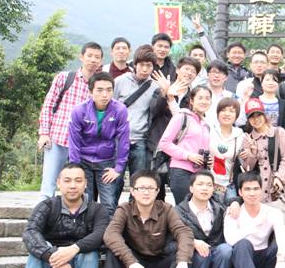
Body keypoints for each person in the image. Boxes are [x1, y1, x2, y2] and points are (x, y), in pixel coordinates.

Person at [16, 163, 109, 268]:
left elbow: (101, 234)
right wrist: (52, 256)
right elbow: (30, 232)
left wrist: (73, 249)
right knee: (38, 250)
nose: (72, 185)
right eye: (67, 180)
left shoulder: (97, 209)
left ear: (86, 183)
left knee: (89, 251)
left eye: (78, 180)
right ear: (58, 183)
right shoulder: (47, 206)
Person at [100, 170, 194, 268]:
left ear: (157, 191)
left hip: (159, 266)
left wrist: (183, 262)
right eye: (141, 188)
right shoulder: (124, 209)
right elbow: (110, 234)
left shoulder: (166, 209)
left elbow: (184, 232)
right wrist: (131, 262)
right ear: (132, 191)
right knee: (112, 251)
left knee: (183, 253)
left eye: (151, 188)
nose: (146, 192)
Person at [38, 42, 103, 200]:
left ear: (101, 61)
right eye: (89, 56)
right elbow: (48, 105)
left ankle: (79, 216)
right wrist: (44, 133)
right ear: (81, 57)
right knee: (48, 186)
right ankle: (42, 215)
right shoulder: (65, 78)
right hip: (58, 140)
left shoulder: (99, 86)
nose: (93, 60)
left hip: (83, 144)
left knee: (81, 187)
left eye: (97, 57)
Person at [224, 172, 285, 268]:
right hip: (241, 261)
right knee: (243, 244)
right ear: (240, 192)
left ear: (261, 190)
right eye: (247, 189)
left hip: (263, 260)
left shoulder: (272, 212)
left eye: (255, 188)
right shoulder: (233, 211)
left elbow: (282, 236)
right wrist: (251, 227)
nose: (252, 193)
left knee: (277, 246)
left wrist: (281, 259)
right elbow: (230, 239)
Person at [68, 72, 130, 217]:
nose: (105, 95)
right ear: (91, 92)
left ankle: (107, 231)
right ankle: (85, 230)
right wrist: (76, 168)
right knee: (85, 202)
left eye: (109, 90)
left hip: (106, 161)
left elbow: (124, 140)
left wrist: (118, 168)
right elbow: (74, 141)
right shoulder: (79, 111)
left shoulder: (120, 110)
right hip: (83, 161)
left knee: (109, 204)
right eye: (100, 90)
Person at [175, 170, 233, 268]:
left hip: (216, 250)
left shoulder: (219, 206)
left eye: (209, 185)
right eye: (200, 184)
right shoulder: (179, 210)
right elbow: (174, 235)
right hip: (194, 255)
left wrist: (235, 203)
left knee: (226, 249)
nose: (205, 188)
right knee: (202, 253)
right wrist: (193, 242)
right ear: (191, 188)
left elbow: (234, 199)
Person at [148, 56, 201, 200]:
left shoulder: (195, 97)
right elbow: (154, 111)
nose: (189, 73)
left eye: (193, 71)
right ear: (177, 70)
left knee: (183, 193)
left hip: (181, 150)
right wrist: (165, 93)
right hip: (158, 146)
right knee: (156, 191)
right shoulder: (163, 88)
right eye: (186, 69)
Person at [114, 45, 163, 179]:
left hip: (140, 140)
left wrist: (166, 92)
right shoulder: (120, 81)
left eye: (149, 65)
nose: (145, 69)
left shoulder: (155, 87)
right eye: (142, 65)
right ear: (135, 65)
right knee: (115, 181)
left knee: (138, 180)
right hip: (118, 139)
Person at [158, 86, 212, 204]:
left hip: (200, 173)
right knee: (185, 208)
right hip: (181, 171)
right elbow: (164, 143)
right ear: (192, 101)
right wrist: (188, 156)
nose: (204, 101)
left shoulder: (206, 124)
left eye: (207, 98)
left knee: (197, 208)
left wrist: (208, 160)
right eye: (200, 98)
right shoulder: (182, 117)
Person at [240, 98, 285, 203]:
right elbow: (248, 169)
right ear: (248, 120)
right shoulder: (247, 139)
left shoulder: (279, 132)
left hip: (277, 187)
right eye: (252, 116)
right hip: (258, 191)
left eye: (258, 115)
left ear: (264, 115)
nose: (256, 119)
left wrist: (279, 178)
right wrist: (253, 152)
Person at [209, 97, 245, 195]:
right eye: (223, 110)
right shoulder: (209, 130)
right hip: (208, 183)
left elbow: (244, 163)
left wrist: (249, 153)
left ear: (236, 115)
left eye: (231, 111)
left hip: (229, 185)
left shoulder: (241, 136)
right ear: (217, 113)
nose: (227, 114)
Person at [204, 60, 235, 127]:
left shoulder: (231, 97)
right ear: (208, 75)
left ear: (226, 77)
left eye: (220, 72)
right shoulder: (199, 94)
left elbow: (239, 121)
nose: (216, 75)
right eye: (213, 72)